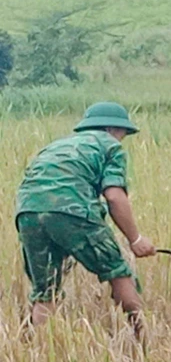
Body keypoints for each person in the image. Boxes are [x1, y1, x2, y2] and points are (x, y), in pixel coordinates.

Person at [15, 102, 157, 336]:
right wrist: (136, 239)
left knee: (46, 289)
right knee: (117, 270)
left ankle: (35, 348)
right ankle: (144, 334)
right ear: (115, 129)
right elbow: (113, 196)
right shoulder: (111, 146)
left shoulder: (55, 147)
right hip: (72, 210)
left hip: (27, 212)